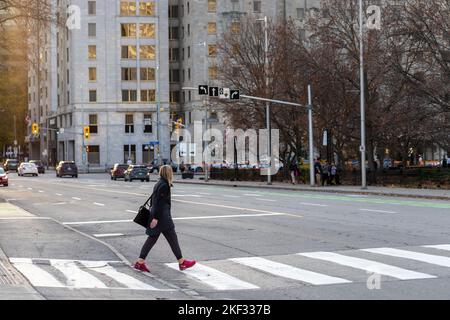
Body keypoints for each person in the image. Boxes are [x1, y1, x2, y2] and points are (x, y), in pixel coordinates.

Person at [134, 165, 196, 273]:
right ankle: (181, 262)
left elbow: (154, 202)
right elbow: (159, 203)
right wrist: (156, 218)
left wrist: (154, 217)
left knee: (158, 239)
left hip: (160, 217)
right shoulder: (164, 185)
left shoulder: (159, 183)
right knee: (167, 239)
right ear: (168, 173)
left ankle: (140, 262)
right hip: (162, 218)